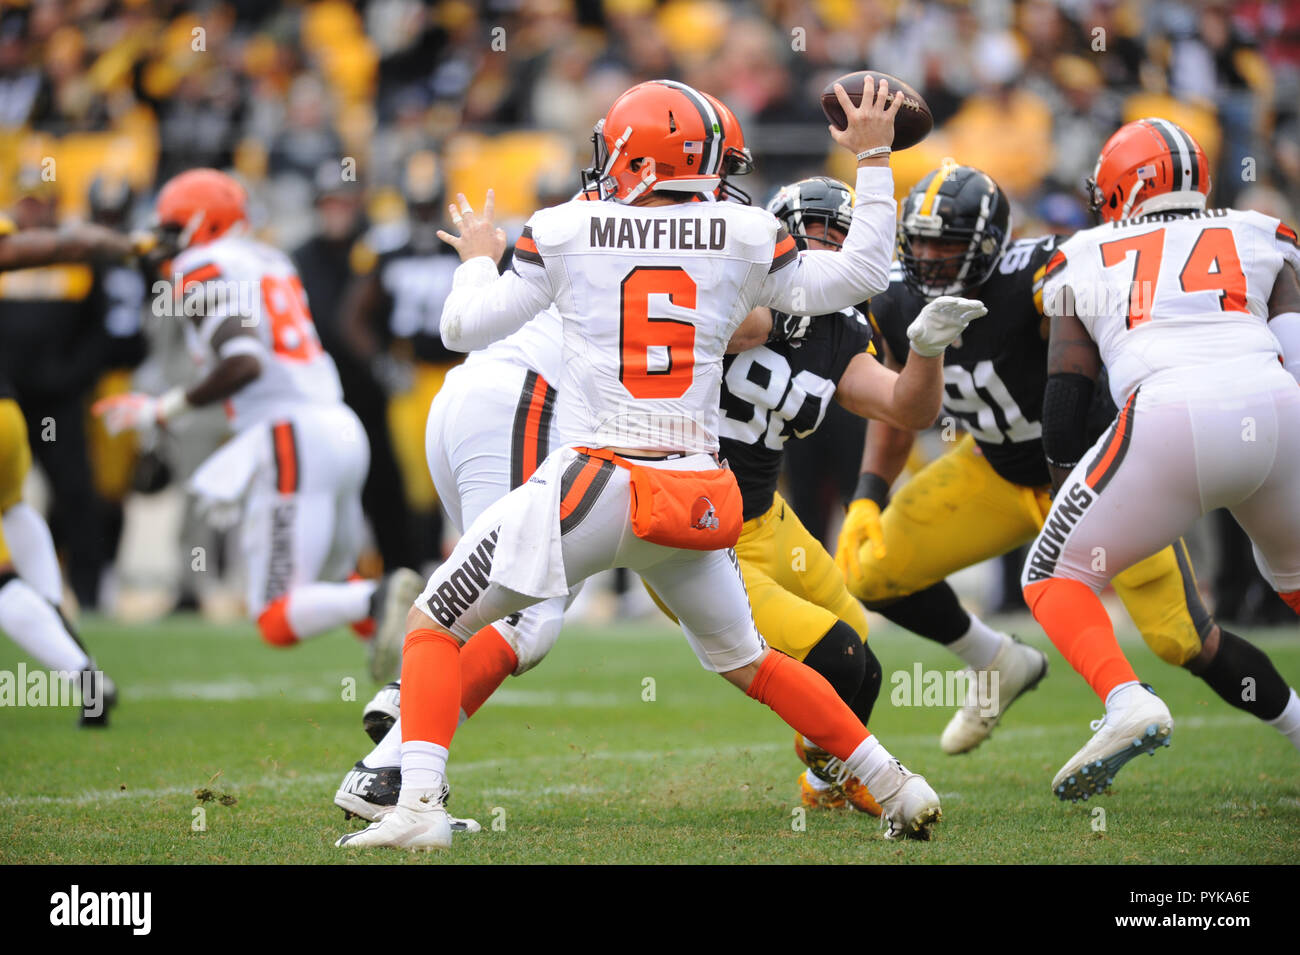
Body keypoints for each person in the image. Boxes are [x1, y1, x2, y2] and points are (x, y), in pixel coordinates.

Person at [337, 78, 984, 851]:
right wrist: (874, 157)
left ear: (633, 157)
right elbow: (861, 275)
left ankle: (415, 806)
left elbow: (461, 325)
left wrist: (479, 259)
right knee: (750, 661)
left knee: (433, 617)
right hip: (698, 496)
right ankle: (895, 782)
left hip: (599, 479)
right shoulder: (744, 231)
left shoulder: (567, 226)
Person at [837, 161, 1298, 758]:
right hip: (993, 470)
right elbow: (899, 403)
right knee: (869, 569)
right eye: (919, 241)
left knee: (1183, 641)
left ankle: (1292, 723)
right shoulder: (894, 298)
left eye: (946, 244)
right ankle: (996, 661)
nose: (928, 256)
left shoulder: (1037, 274)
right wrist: (868, 494)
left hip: (1097, 477)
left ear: (989, 244)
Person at [1025, 118, 1300, 801]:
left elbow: (1066, 393)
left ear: (1125, 187)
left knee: (1051, 573)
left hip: (1171, 412)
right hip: (1276, 403)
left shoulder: (1084, 251)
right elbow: (1295, 347)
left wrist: (1066, 488)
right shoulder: (1259, 229)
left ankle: (1127, 699)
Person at [95, 169, 387, 653]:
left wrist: (164, 410)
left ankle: (387, 600)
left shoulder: (202, 264)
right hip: (339, 426)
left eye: (172, 228)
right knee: (340, 578)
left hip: (291, 434)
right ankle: (409, 672)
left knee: (275, 618)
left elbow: (243, 361)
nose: (164, 241)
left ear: (203, 225)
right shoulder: (270, 258)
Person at [0, 207, 144, 725]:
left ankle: (80, 672)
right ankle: (65, 636)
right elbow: (56, 246)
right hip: (8, 413)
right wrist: (120, 240)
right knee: (13, 507)